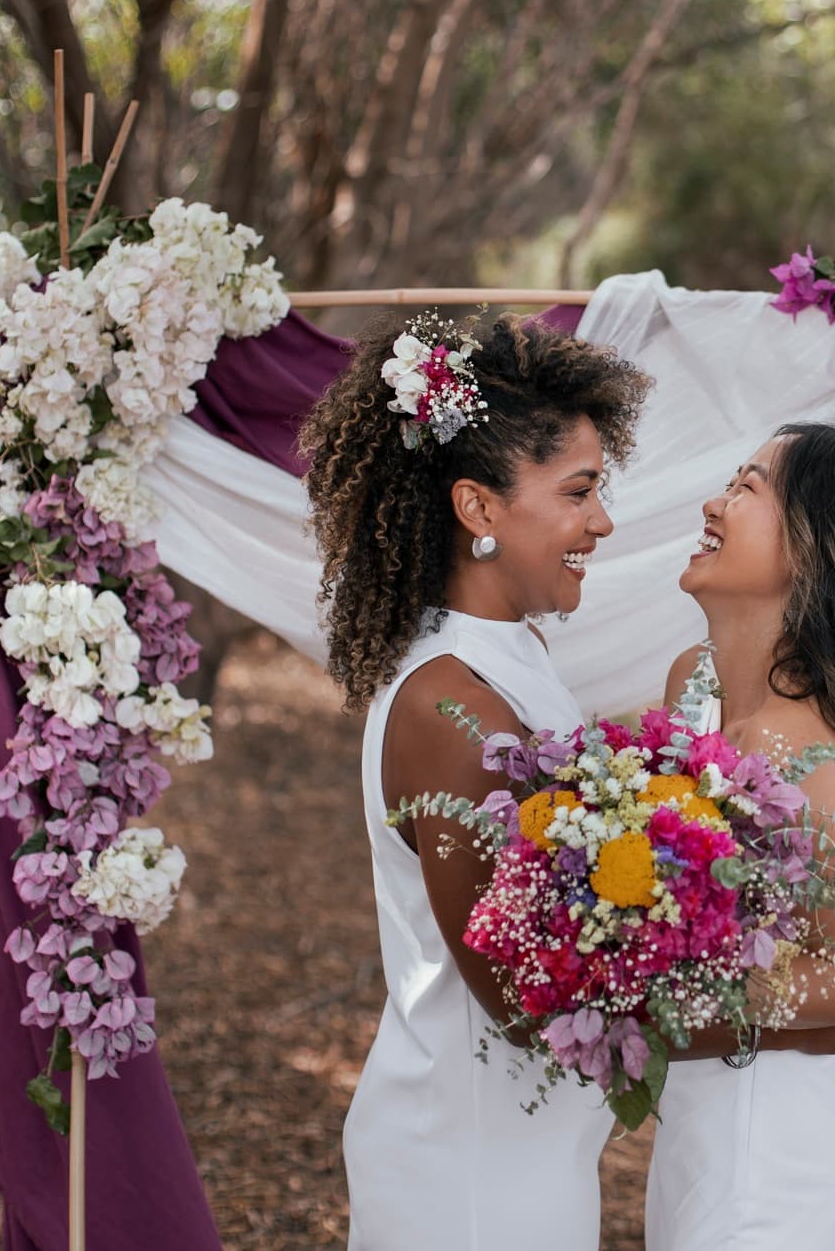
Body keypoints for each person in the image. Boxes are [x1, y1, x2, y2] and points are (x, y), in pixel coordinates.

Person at [299, 311, 650, 1251]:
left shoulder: (505, 660)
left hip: (517, 1135)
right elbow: (513, 982)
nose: (602, 520)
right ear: (479, 508)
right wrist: (689, 934)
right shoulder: (448, 704)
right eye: (579, 491)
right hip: (468, 1162)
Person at [647, 422, 835, 1251]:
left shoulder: (791, 745)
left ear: (811, 548)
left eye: (746, 488)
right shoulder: (688, 688)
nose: (713, 501)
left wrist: (655, 1002)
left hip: (761, 1150)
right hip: (693, 1125)